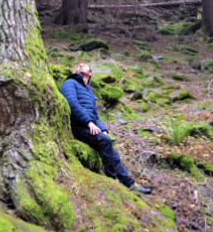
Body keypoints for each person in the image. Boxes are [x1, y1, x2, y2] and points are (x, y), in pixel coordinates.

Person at [60, 63, 152, 194]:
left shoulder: (89, 91)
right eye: (79, 65)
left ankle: (130, 184)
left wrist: (103, 129)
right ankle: (111, 180)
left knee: (113, 152)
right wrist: (88, 122)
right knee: (106, 142)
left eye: (84, 65)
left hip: (89, 126)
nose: (80, 65)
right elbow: (71, 103)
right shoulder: (70, 82)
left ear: (90, 73)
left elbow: (95, 115)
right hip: (78, 126)